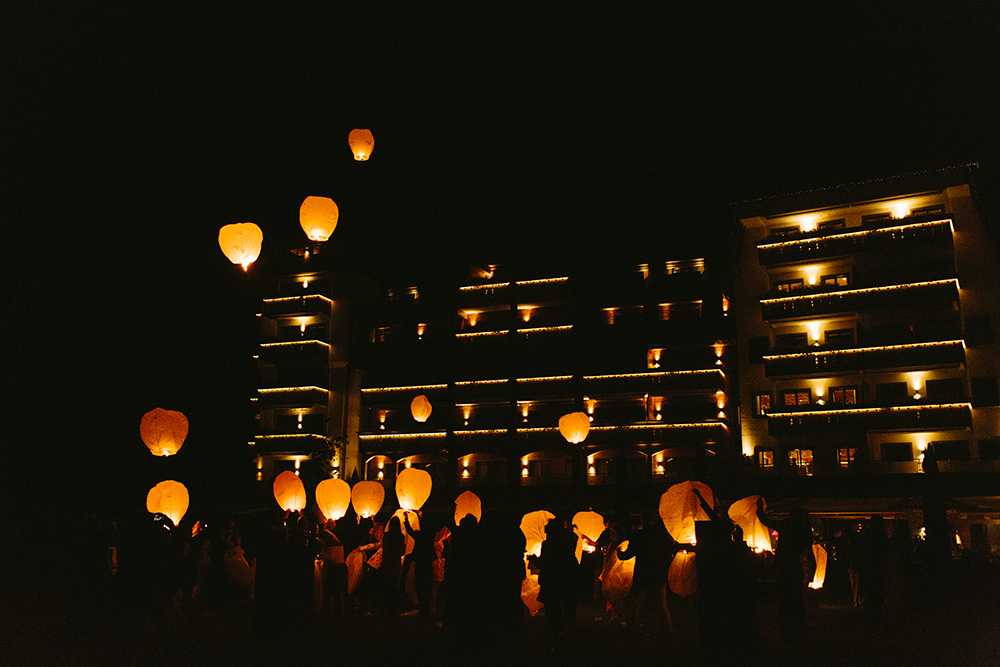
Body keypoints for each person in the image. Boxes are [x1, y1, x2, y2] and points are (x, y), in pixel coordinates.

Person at [757, 500, 814, 644]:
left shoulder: (787, 526)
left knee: (785, 600)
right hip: (795, 567)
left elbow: (766, 521)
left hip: (784, 567)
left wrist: (759, 509)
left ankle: (788, 631)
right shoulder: (804, 531)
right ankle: (799, 629)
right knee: (796, 599)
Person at [537, 516, 579, 643]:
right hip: (568, 573)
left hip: (552, 576)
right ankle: (568, 623)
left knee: (552, 603)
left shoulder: (549, 545)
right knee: (568, 599)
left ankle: (556, 628)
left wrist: (534, 559)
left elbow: (544, 561)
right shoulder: (570, 541)